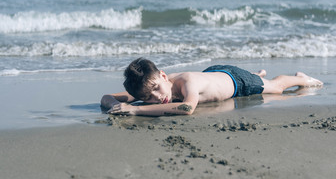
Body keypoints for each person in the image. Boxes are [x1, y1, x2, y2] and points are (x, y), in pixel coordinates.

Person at [101, 58, 323, 116]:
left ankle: (302, 78)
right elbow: (107, 96)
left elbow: (188, 108)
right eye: (147, 98)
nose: (157, 98)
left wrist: (137, 109)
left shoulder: (187, 82)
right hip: (215, 75)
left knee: (276, 88)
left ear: (163, 75)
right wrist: (113, 105)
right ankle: (257, 74)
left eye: (157, 89)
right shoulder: (157, 90)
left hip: (237, 82)